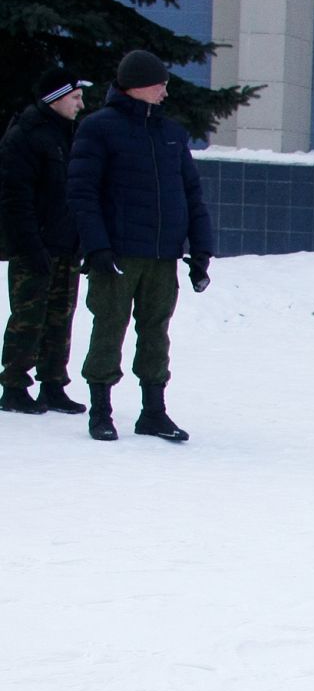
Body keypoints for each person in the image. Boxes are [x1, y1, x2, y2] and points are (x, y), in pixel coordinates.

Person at [66, 49, 214, 444]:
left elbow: (191, 194)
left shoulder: (171, 134)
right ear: (137, 86)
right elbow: (82, 193)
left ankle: (154, 411)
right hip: (118, 253)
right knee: (109, 326)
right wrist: (97, 248)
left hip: (163, 255)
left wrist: (201, 251)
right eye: (159, 84)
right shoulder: (100, 129)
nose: (165, 91)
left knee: (156, 331)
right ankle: (101, 410)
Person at [0, 68, 91, 416]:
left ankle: (53, 383)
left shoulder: (70, 135)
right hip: (34, 247)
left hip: (66, 244)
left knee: (60, 317)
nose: (81, 104)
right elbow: (14, 198)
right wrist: (29, 244)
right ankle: (14, 385)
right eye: (75, 97)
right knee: (29, 316)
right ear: (55, 100)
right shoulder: (25, 136)